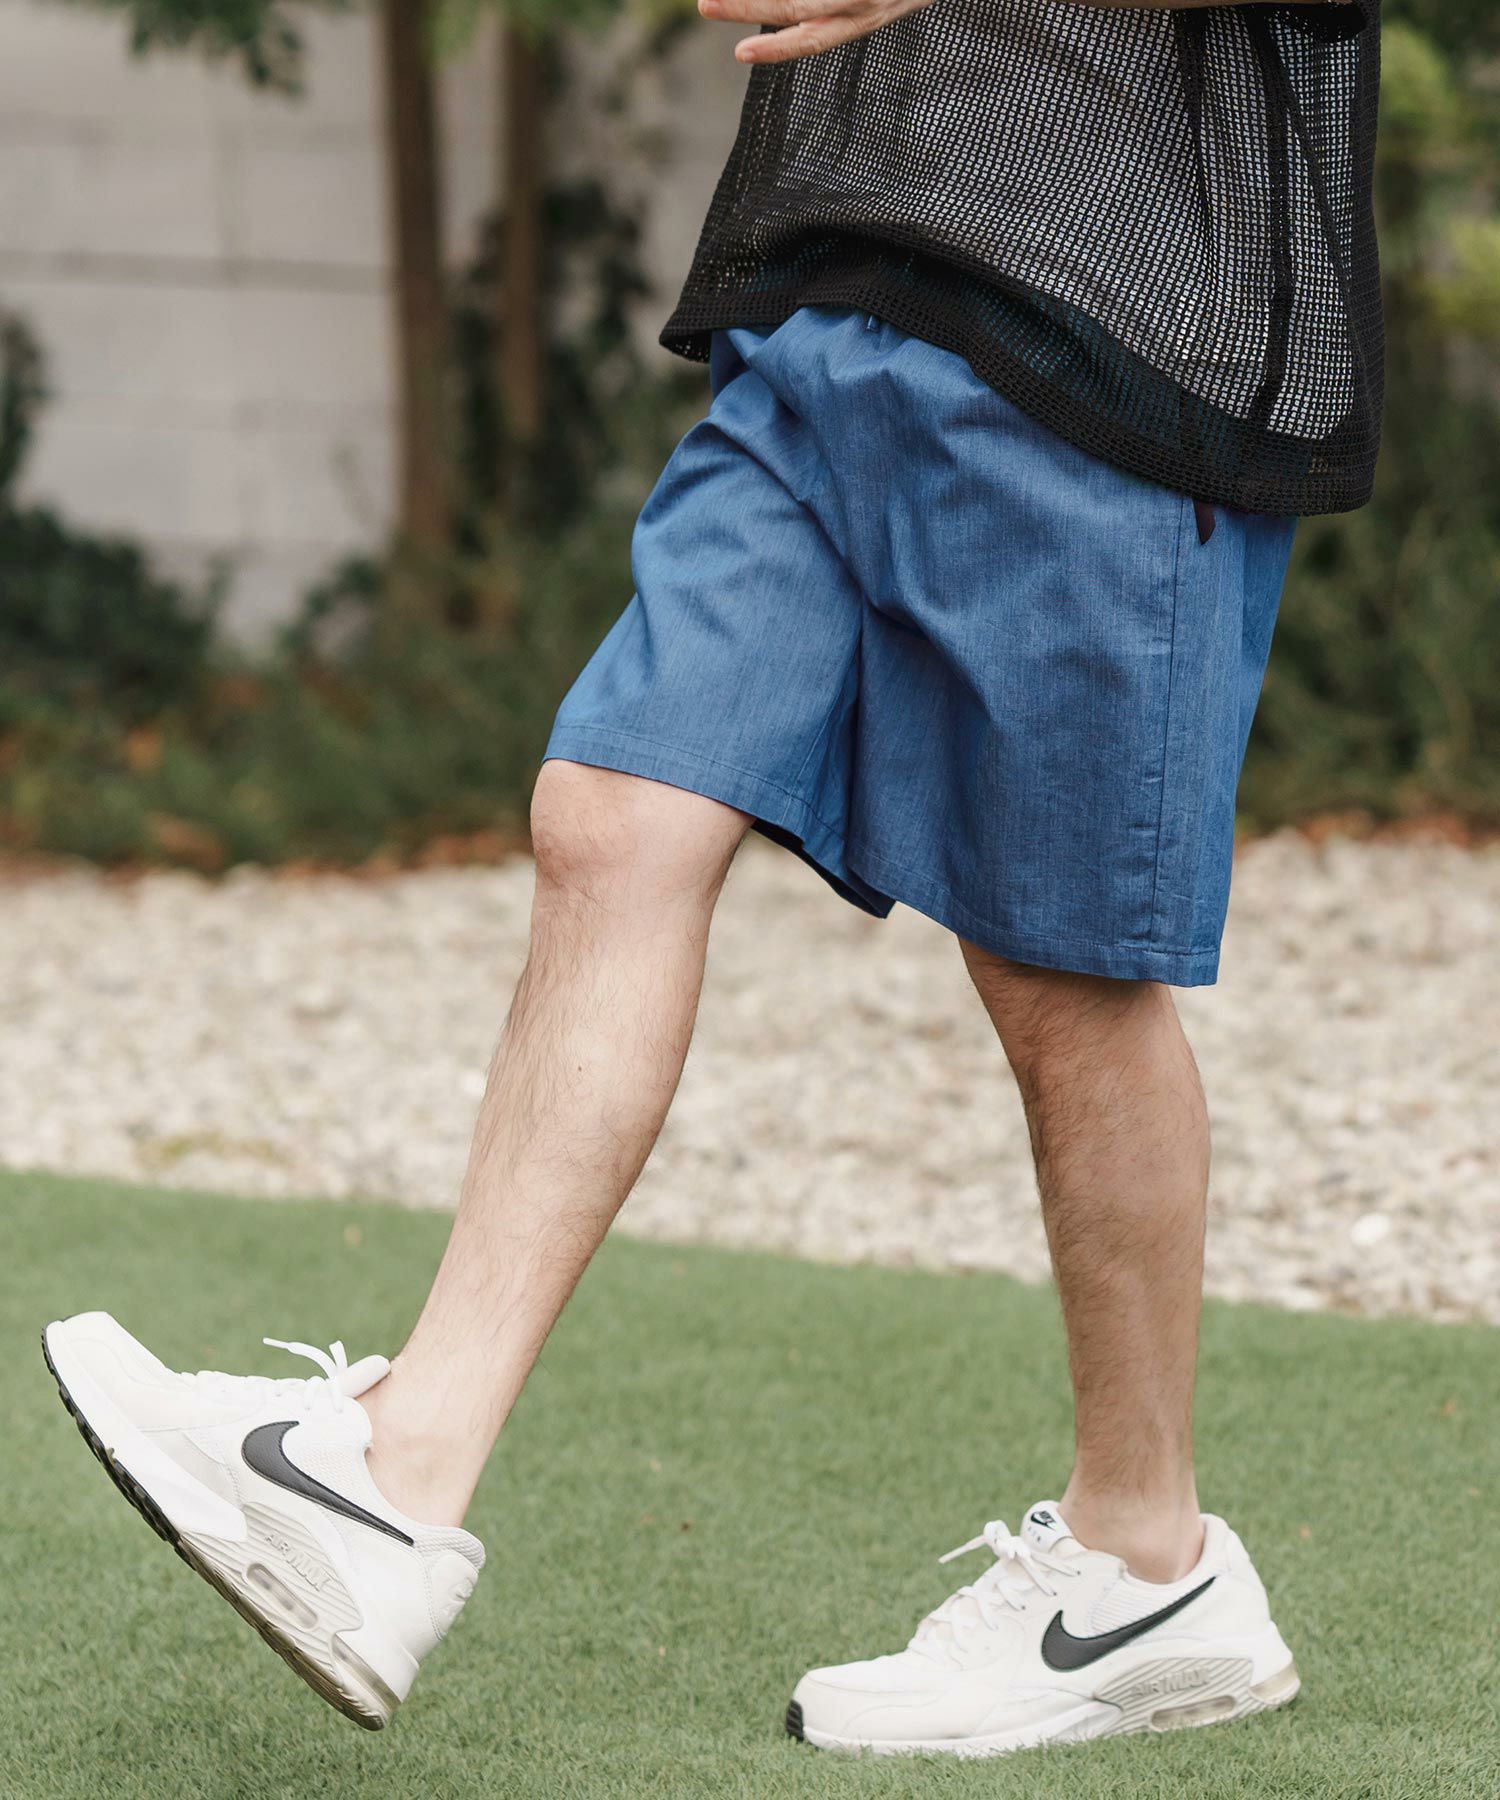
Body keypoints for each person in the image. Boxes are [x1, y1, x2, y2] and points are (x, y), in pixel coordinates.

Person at [43, 0, 1382, 1758]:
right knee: (611, 816)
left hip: (1106, 324)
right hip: (833, 296)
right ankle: (392, 1475)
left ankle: (1147, 1567)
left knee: (1059, 981)